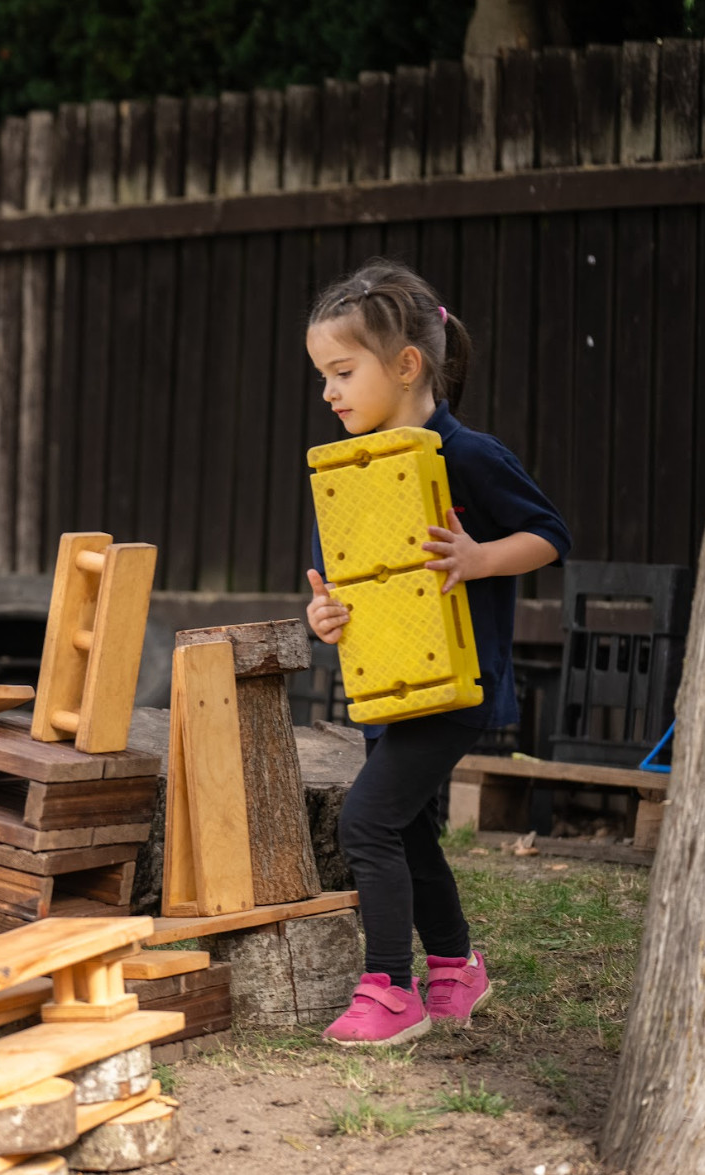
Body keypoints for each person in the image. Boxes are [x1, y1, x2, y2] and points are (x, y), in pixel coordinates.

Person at [303, 259, 571, 1047]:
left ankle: (388, 987)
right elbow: (338, 582)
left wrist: (478, 557)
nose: (329, 392)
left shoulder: (469, 455)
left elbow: (549, 536)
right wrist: (324, 612)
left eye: (342, 371)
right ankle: (454, 966)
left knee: (367, 821)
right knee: (408, 826)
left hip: (455, 686)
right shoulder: (348, 473)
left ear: (406, 364)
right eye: (323, 375)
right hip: (384, 683)